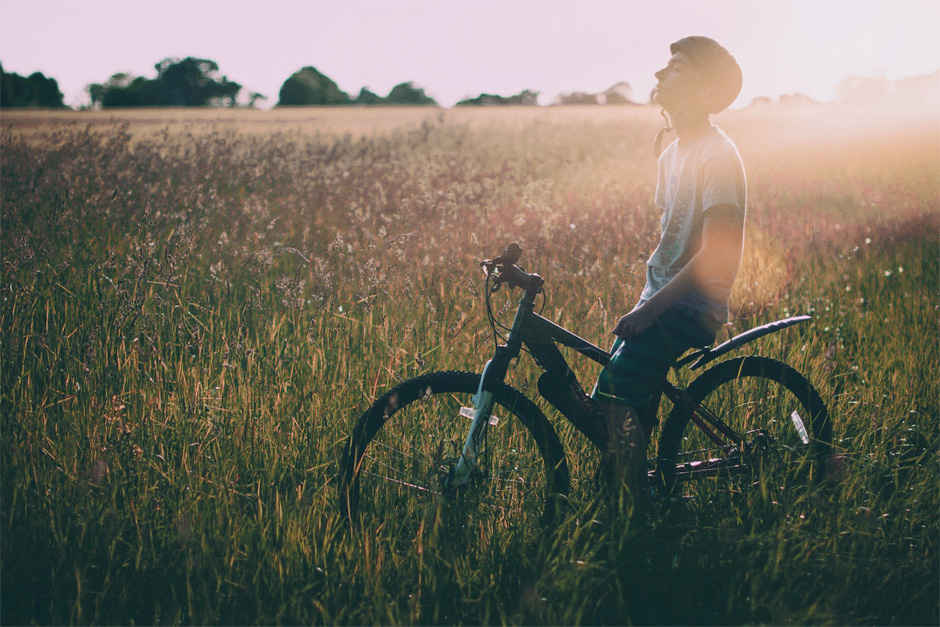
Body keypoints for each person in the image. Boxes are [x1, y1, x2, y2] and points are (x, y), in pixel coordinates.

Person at [592, 36, 747, 515]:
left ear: (702, 91)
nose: (660, 75)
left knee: (615, 395)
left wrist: (649, 311)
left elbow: (715, 256)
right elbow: (672, 238)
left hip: (693, 306)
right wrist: (647, 302)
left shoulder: (717, 156)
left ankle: (639, 511)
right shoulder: (672, 154)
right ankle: (633, 488)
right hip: (660, 299)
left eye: (675, 69)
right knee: (616, 396)